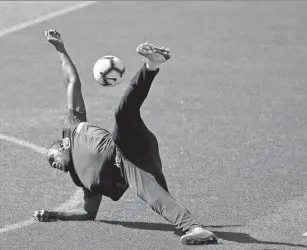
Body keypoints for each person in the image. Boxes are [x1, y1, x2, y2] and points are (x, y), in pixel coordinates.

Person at [34, 29, 218, 245]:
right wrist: (54, 214)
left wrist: (61, 49)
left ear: (61, 146)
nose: (53, 164)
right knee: (153, 195)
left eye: (52, 157)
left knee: (123, 113)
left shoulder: (72, 127)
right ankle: (195, 228)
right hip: (130, 166)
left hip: (124, 143)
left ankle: (151, 66)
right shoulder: (81, 180)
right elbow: (87, 212)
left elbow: (72, 81)